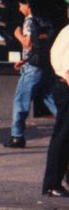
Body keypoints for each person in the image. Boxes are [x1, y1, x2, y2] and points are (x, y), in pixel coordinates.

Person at [4, 0, 57, 149]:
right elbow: (37, 47)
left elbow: (28, 44)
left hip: (32, 69)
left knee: (20, 101)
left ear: (28, 5)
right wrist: (24, 60)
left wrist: (18, 34)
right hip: (43, 66)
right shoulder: (43, 20)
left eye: (21, 5)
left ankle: (17, 137)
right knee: (52, 101)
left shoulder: (28, 21)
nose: (19, 8)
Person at [40, 20, 69, 198]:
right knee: (62, 136)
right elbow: (67, 70)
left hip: (63, 86)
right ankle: (51, 184)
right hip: (66, 87)